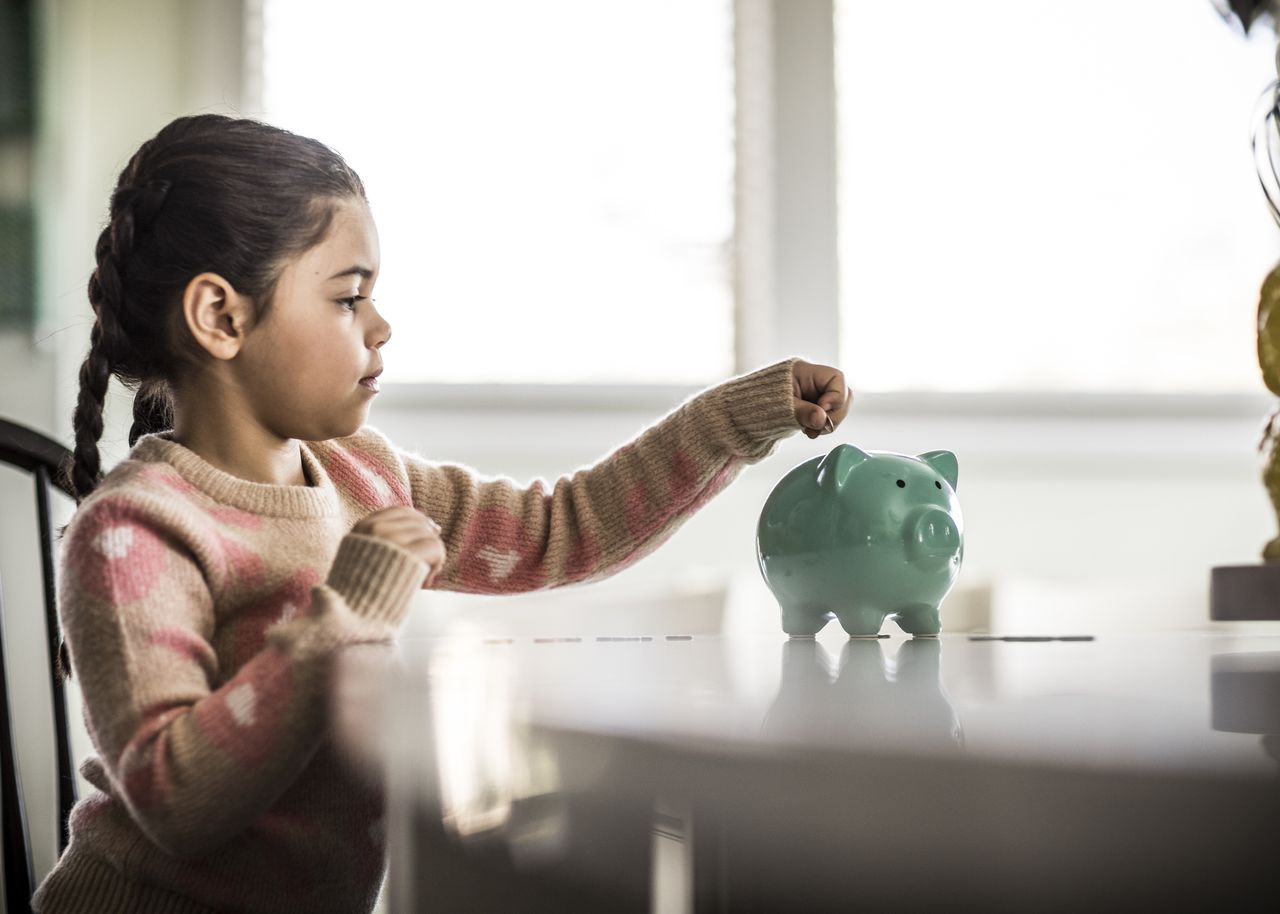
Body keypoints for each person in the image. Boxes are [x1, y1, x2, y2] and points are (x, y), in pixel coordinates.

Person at [32, 113, 851, 914]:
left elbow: (560, 527)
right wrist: (347, 613)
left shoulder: (366, 474)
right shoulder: (133, 534)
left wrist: (737, 419)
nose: (382, 326)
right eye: (349, 299)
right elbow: (177, 803)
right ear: (222, 317)